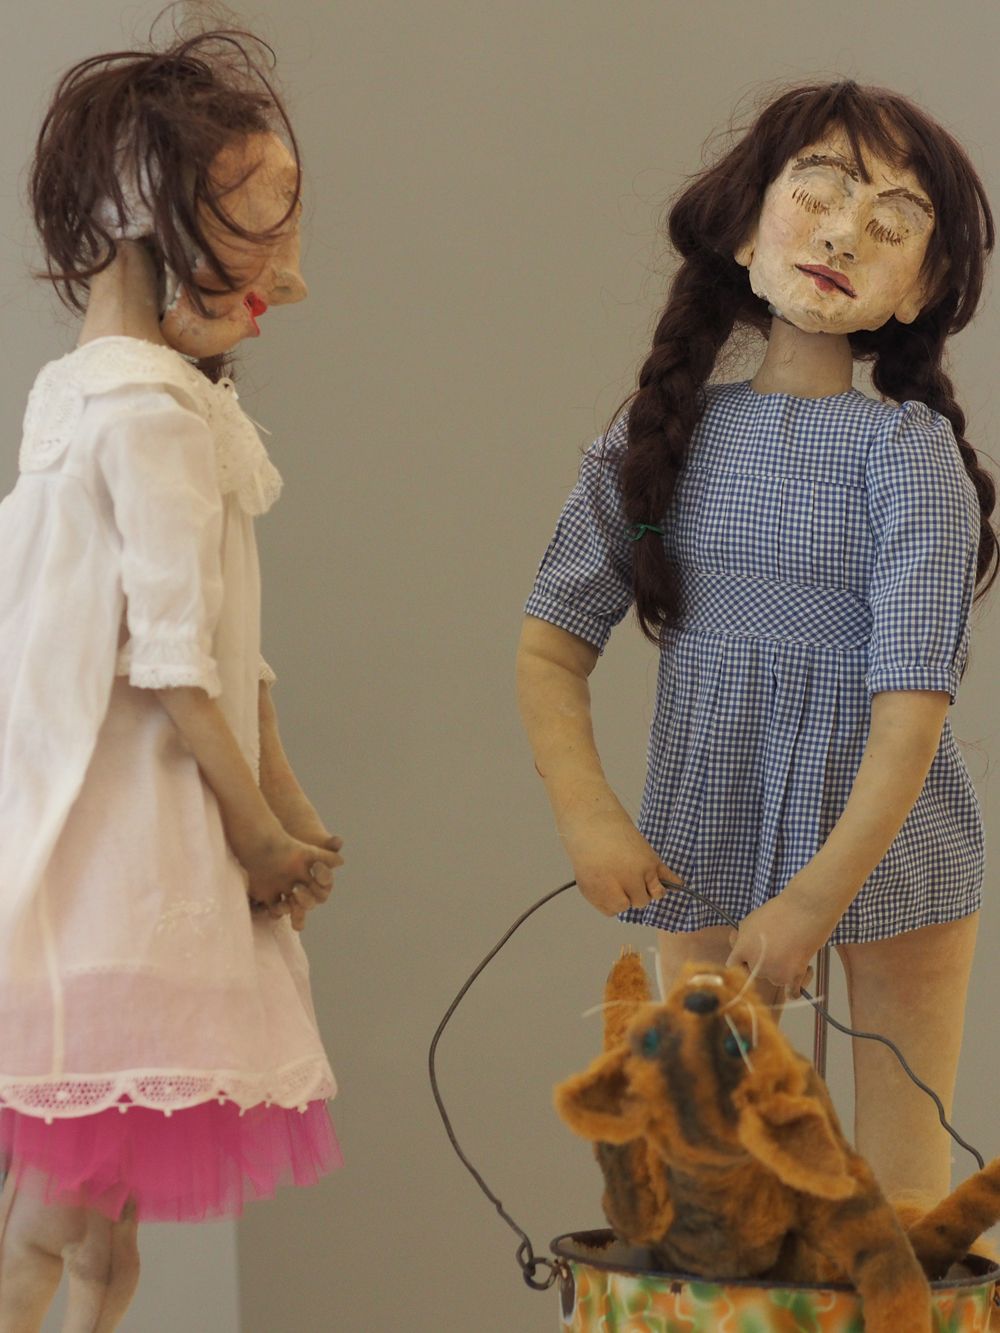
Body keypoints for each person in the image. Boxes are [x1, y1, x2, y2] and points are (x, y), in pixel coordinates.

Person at [517, 81, 996, 1209]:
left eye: (890, 225)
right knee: (715, 1172)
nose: (843, 234)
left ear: (921, 289)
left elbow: (911, 708)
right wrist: (589, 813)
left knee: (901, 1185)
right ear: (745, 226)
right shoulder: (662, 444)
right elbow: (550, 643)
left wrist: (816, 898)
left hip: (893, 850)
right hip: (705, 827)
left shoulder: (906, 456)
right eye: (816, 195)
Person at [0, 19, 343, 1329]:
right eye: (257, 228)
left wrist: (285, 805)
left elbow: (227, 646)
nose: (282, 277)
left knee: (90, 1226)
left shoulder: (100, 395)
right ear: (149, 215)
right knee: (61, 1220)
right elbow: (175, 657)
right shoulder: (143, 408)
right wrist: (259, 831)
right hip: (124, 870)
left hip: (108, 857)